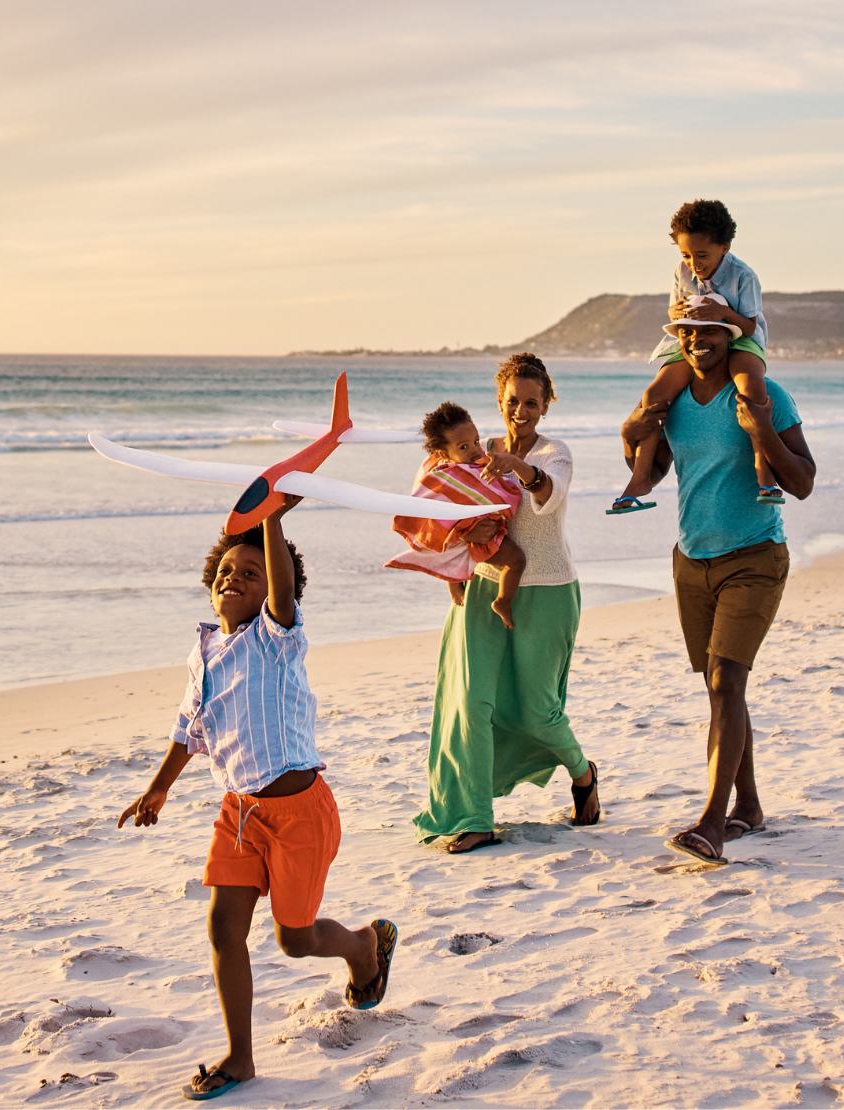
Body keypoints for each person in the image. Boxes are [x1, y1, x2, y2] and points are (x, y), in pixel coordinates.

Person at [117, 498, 397, 1101]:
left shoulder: (276, 639)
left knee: (293, 940)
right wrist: (159, 786)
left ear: (276, 589)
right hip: (238, 813)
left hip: (300, 814)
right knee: (223, 928)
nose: (234, 578)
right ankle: (240, 1058)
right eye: (226, 570)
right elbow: (190, 725)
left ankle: (363, 946)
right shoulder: (205, 653)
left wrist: (271, 519)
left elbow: (281, 591)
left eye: (252, 572)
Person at [620, 309, 815, 865]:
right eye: (685, 332)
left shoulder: (764, 393)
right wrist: (632, 436)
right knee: (719, 685)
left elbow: (802, 481)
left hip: (755, 556)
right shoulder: (674, 401)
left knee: (728, 680)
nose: (695, 340)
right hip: (692, 560)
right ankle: (748, 806)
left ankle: (713, 822)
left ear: (731, 336)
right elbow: (653, 472)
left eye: (708, 331)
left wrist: (763, 437)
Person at [413, 353, 600, 854]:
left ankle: (583, 775)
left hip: (548, 590)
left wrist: (517, 466)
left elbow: (548, 491)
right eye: (513, 400)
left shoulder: (555, 452)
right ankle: (474, 818)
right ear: (499, 400)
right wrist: (459, 531)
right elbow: (436, 493)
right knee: (471, 705)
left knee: (538, 713)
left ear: (546, 404)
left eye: (532, 402)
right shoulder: (472, 448)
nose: (521, 410)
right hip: (482, 587)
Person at [609, 198, 783, 515]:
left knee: (750, 388)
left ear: (725, 246)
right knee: (653, 395)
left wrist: (723, 313)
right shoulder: (681, 271)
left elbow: (747, 326)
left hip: (741, 337)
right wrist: (675, 312)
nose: (694, 264)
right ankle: (639, 481)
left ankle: (765, 474)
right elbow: (675, 313)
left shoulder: (744, 276)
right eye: (686, 255)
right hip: (695, 337)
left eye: (701, 255)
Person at [385, 401, 526, 628]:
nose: (474, 449)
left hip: (482, 529)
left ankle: (455, 582)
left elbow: (486, 489)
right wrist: (465, 532)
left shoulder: (476, 463)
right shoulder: (441, 476)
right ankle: (503, 601)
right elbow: (427, 513)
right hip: (470, 537)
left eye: (475, 441)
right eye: (463, 447)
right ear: (444, 453)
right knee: (516, 560)